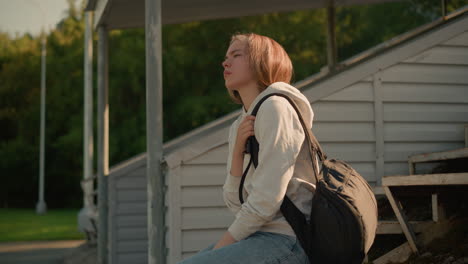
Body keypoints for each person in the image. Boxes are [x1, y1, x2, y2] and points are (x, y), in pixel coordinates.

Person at [177, 32, 319, 264]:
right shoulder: (241, 123)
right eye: (226, 56)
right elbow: (235, 203)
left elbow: (267, 198)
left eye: (236, 54)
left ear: (262, 61)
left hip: (288, 239)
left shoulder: (277, 107)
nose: (225, 62)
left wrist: (222, 246)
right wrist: (236, 153)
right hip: (258, 236)